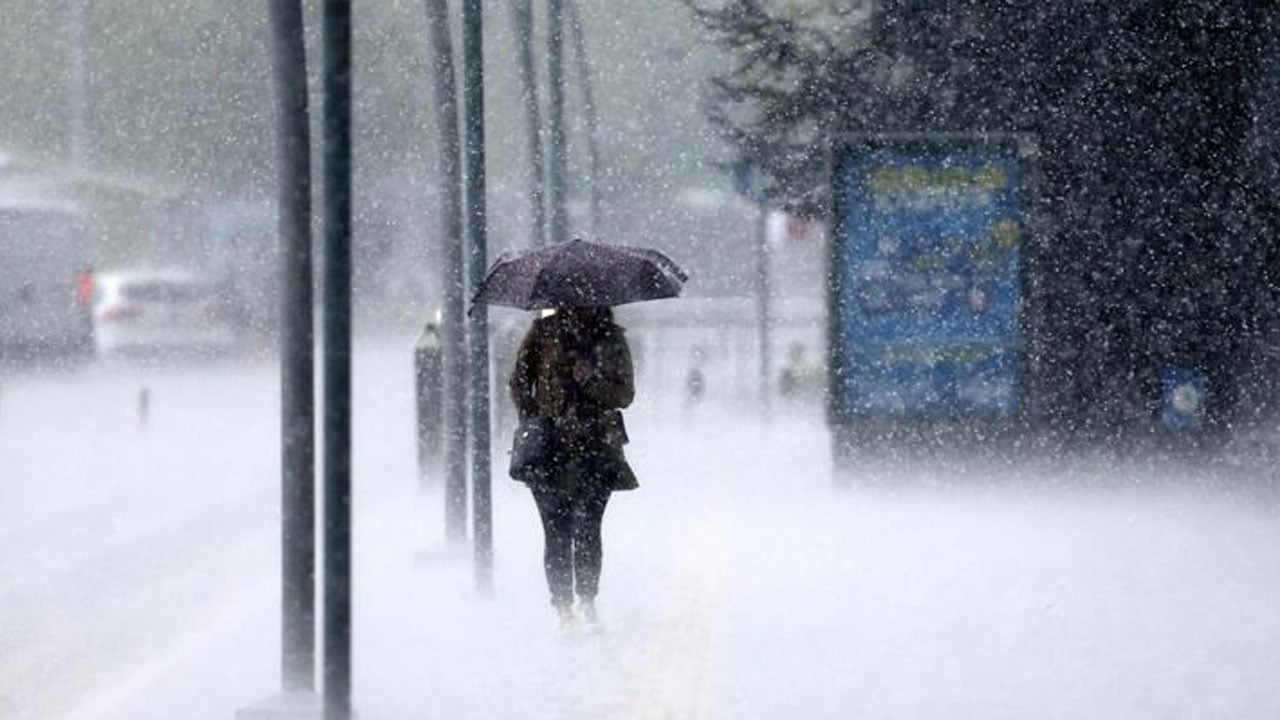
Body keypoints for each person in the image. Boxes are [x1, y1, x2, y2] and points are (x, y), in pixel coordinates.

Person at [508, 305, 637, 629]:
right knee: (556, 530)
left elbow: (624, 394)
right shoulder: (542, 333)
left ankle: (587, 601)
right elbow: (519, 381)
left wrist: (591, 380)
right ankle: (563, 608)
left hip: (595, 446)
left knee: (589, 528)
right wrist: (534, 416)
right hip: (549, 449)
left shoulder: (611, 338)